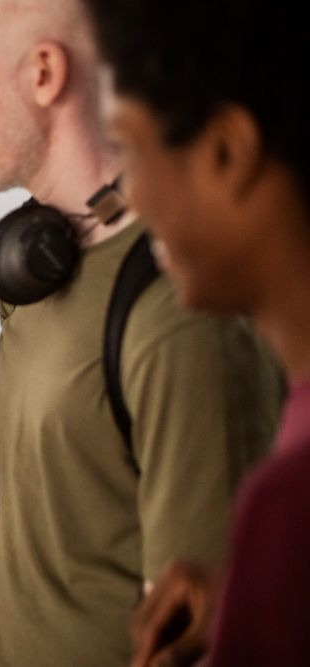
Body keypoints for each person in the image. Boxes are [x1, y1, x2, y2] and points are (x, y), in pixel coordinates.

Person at [0, 1, 284, 664]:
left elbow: (208, 633)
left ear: (43, 72)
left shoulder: (180, 318)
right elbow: (32, 518)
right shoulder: (33, 264)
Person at [81, 1, 310, 665]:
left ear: (225, 151)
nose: (128, 195)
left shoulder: (290, 505)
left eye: (127, 146)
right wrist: (247, 599)